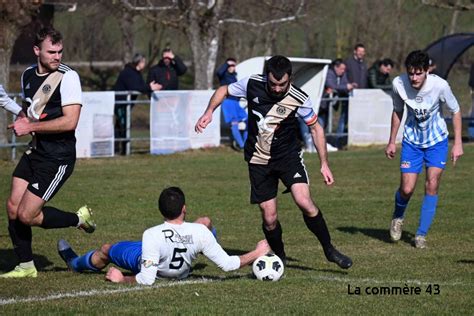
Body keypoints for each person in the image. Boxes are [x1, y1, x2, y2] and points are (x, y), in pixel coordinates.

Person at [195, 55, 352, 269]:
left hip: (288, 156)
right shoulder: (252, 83)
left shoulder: (299, 97)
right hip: (258, 159)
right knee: (269, 218)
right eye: (273, 84)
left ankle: (329, 249)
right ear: (266, 76)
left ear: (290, 78)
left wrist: (324, 163)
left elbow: (316, 128)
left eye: (282, 84)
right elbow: (223, 90)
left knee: (304, 201)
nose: (277, 89)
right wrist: (209, 112)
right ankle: (279, 256)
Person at [0, 27, 96, 278]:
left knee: (26, 214)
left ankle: (78, 219)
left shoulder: (68, 77)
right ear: (36, 51)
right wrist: (22, 118)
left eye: (60, 51)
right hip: (36, 151)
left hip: (58, 157)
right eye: (51, 51)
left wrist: (30, 126)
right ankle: (26, 265)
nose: (57, 56)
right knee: (12, 207)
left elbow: (70, 121)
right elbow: (29, 110)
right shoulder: (28, 75)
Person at [57, 187, 270, 284]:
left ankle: (74, 263)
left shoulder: (151, 234)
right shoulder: (200, 232)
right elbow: (229, 265)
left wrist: (123, 279)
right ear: (184, 208)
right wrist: (258, 251)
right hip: (183, 269)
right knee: (205, 221)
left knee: (106, 249)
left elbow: (146, 279)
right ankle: (206, 247)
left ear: (160, 211)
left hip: (154, 260)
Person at [385, 50, 463, 249]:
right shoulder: (398, 84)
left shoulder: (440, 85)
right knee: (407, 188)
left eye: (418, 73)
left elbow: (455, 111)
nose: (414, 78)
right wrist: (392, 141)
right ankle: (398, 217)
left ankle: (420, 235)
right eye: (411, 73)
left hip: (437, 142)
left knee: (432, 184)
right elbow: (397, 111)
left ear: (426, 71)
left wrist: (458, 143)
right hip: (412, 142)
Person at [113, 53, 158, 155]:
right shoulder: (128, 72)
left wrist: (149, 88)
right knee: (123, 126)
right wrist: (150, 88)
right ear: (139, 62)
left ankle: (120, 150)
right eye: (144, 62)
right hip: (120, 104)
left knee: (120, 126)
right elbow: (135, 87)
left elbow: (141, 86)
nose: (145, 64)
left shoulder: (137, 73)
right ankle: (122, 150)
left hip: (125, 105)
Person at [216, 58, 248, 151]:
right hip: (228, 102)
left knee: (249, 120)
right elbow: (219, 72)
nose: (231, 67)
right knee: (234, 124)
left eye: (233, 65)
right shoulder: (223, 75)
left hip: (236, 103)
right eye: (229, 65)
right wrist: (226, 63)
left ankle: (246, 144)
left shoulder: (234, 76)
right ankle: (241, 145)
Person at [318, 59, 355, 136]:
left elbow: (342, 84)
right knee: (320, 124)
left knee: (325, 124)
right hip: (321, 104)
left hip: (327, 104)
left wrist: (347, 86)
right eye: (341, 69)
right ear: (335, 67)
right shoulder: (329, 73)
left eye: (344, 69)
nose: (343, 71)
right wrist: (345, 87)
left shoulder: (341, 75)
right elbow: (331, 85)